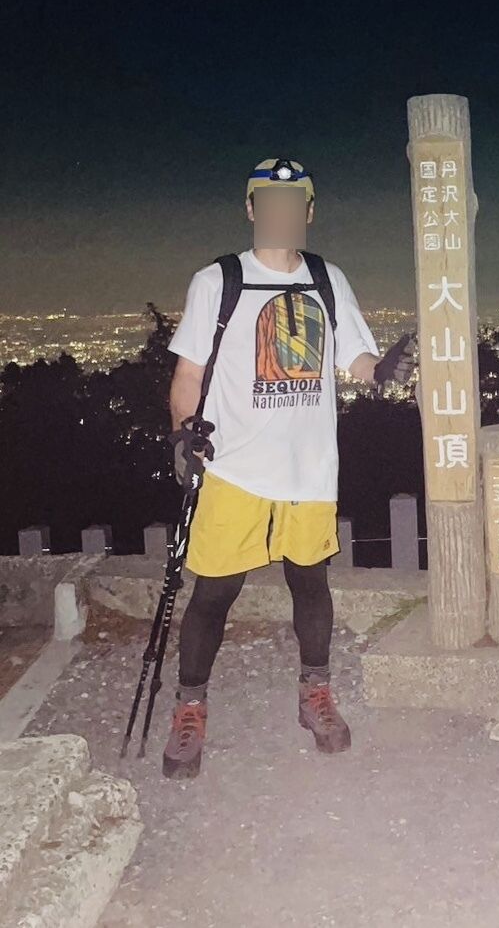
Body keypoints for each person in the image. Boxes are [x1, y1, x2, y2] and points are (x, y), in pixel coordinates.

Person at [162, 158, 414, 779]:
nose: (281, 213)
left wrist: (382, 371)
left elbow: (356, 358)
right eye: (269, 201)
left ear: (308, 211)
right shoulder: (218, 281)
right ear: (251, 208)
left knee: (311, 584)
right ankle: (190, 707)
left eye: (294, 202)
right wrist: (183, 432)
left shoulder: (327, 278)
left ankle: (315, 694)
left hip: (308, 469)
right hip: (235, 468)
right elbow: (189, 373)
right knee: (213, 592)